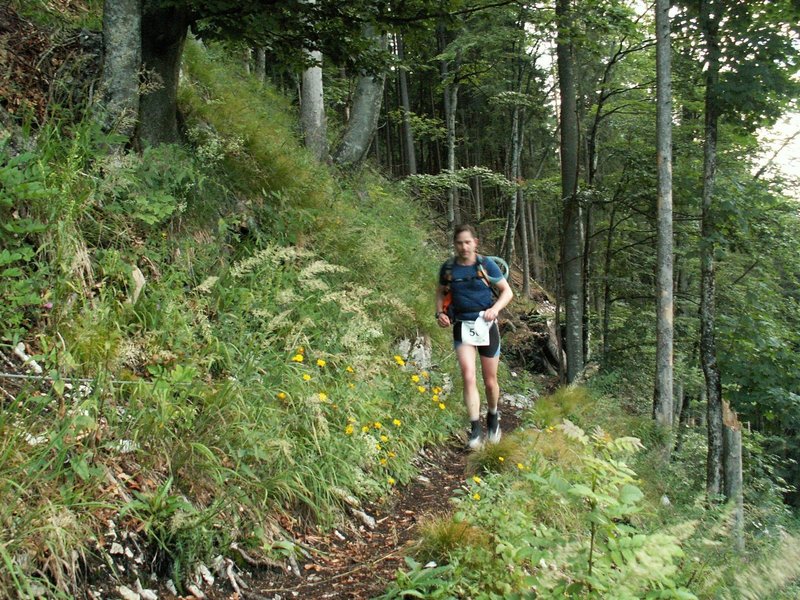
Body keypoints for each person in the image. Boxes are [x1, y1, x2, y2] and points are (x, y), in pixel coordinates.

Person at [435, 224, 513, 449]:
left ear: (475, 242)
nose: (463, 247)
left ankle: (493, 416)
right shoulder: (448, 268)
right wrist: (440, 313)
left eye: (467, 242)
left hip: (486, 324)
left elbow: (507, 291)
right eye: (459, 243)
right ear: (454, 244)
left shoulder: (486, 264)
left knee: (490, 381)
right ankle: (475, 429)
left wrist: (495, 309)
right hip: (462, 324)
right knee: (468, 375)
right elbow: (440, 291)